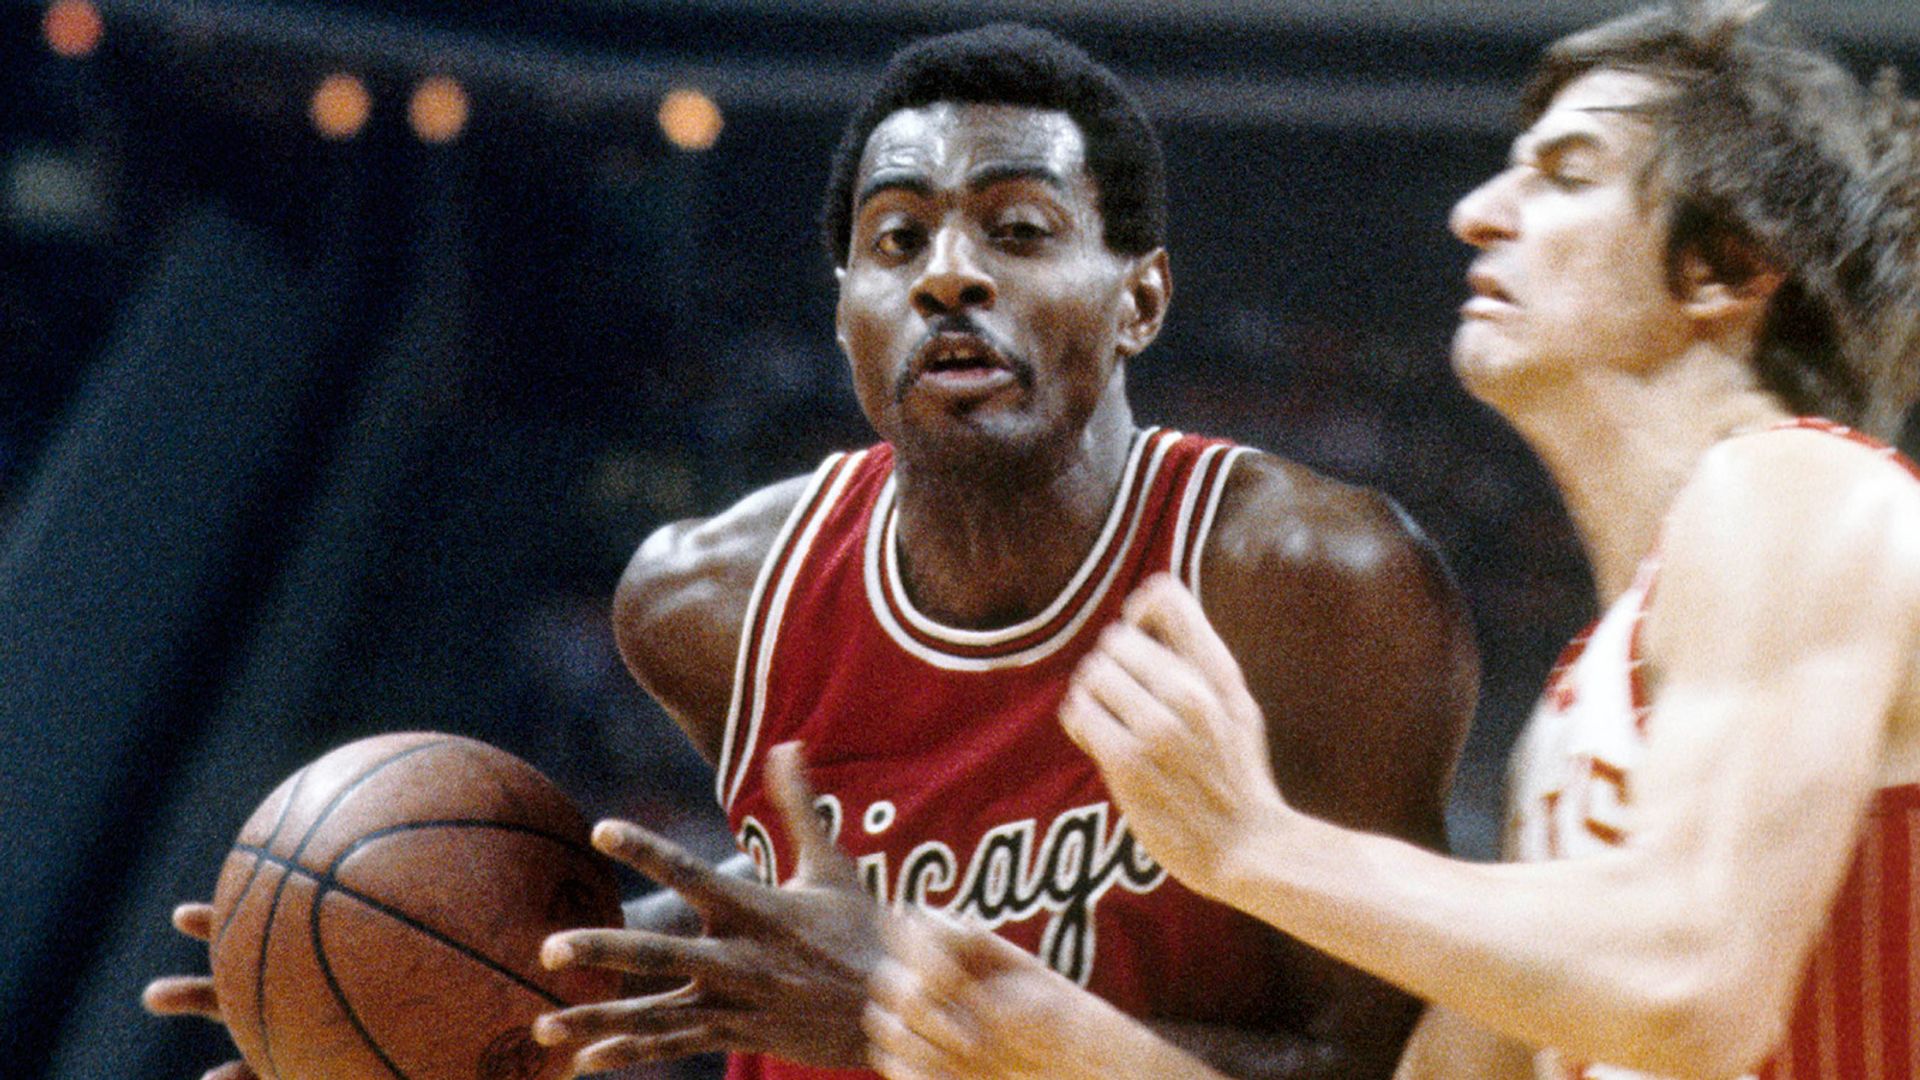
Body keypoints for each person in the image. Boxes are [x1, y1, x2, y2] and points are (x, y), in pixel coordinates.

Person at [142, 22, 1478, 1080]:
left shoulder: (1313, 583)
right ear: (844, 314)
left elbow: (1395, 1067)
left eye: (1018, 229)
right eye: (896, 240)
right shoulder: (708, 603)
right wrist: (437, 986)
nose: (947, 274)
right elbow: (820, 902)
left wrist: (917, 1020)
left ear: (1140, 299)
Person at [861, 3, 1920, 1079]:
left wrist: (1257, 843)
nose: (1477, 212)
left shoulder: (1801, 487)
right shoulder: (1575, 714)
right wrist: (1073, 1054)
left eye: (1565, 172)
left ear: (1725, 266)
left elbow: (1690, 987)